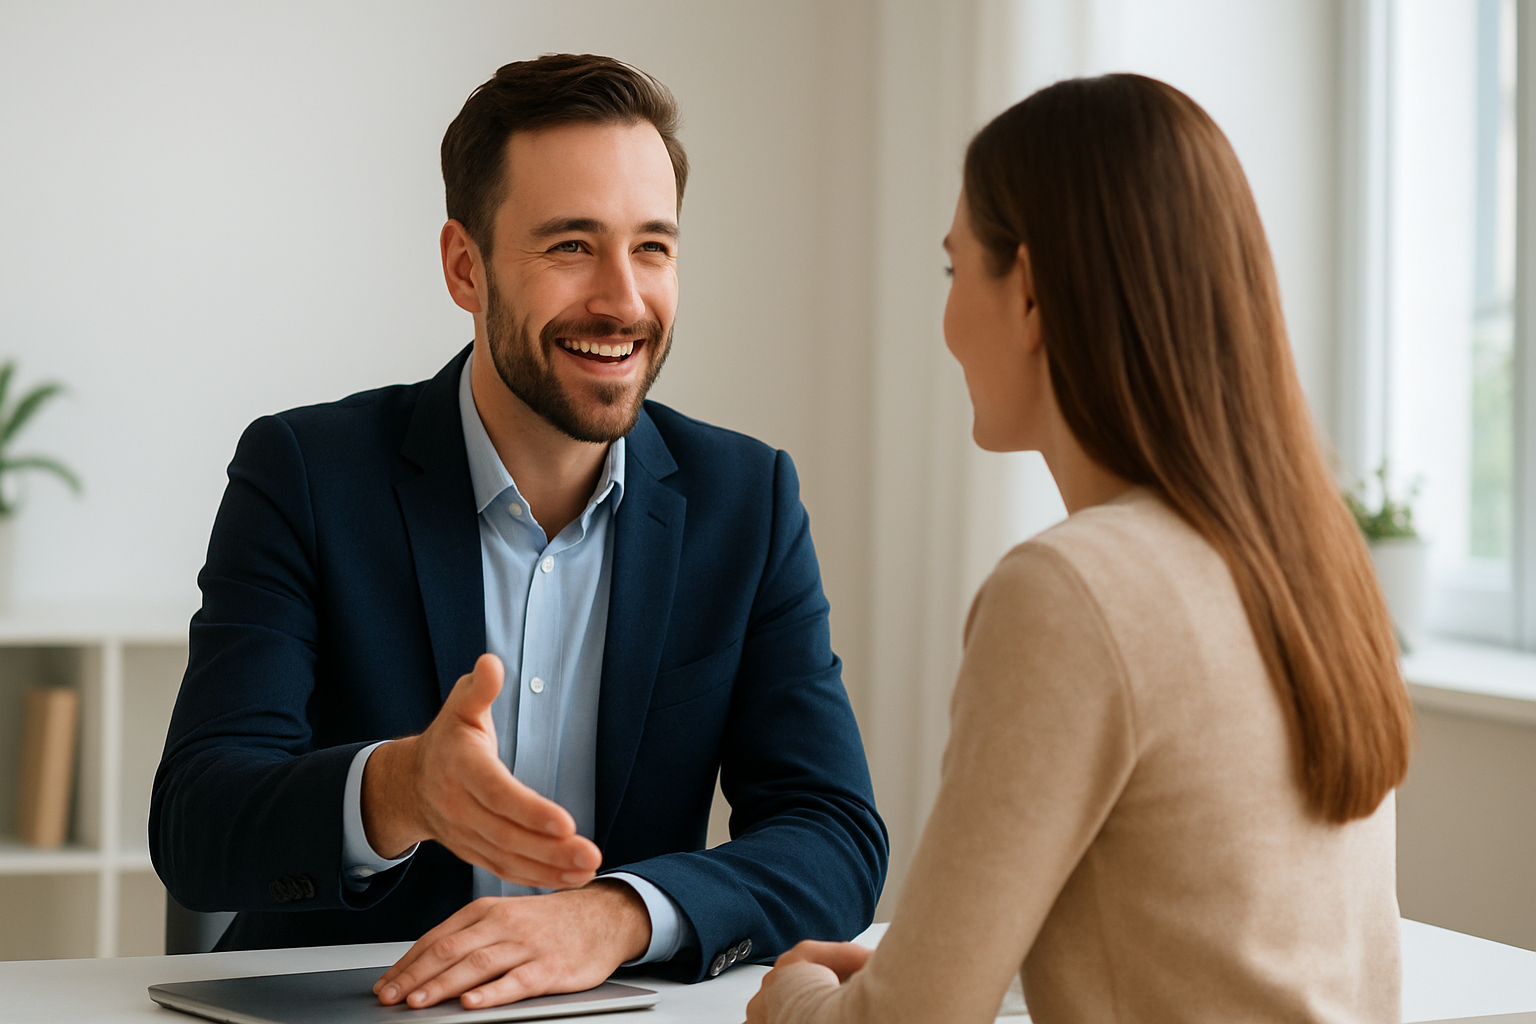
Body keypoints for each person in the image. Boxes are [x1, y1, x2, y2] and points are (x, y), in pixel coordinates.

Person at [150, 53, 887, 1012]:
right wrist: (402, 789)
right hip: (361, 1007)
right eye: (572, 246)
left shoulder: (745, 500)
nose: (623, 300)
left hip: (620, 1006)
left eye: (652, 246)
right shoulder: (306, 473)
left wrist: (617, 913)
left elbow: (832, 833)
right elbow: (197, 824)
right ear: (467, 266)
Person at [747, 74, 1413, 1024]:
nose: (945, 324)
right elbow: (1210, 943)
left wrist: (796, 996)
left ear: (1030, 294)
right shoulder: (1311, 560)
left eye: (954, 270)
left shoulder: (1073, 590)